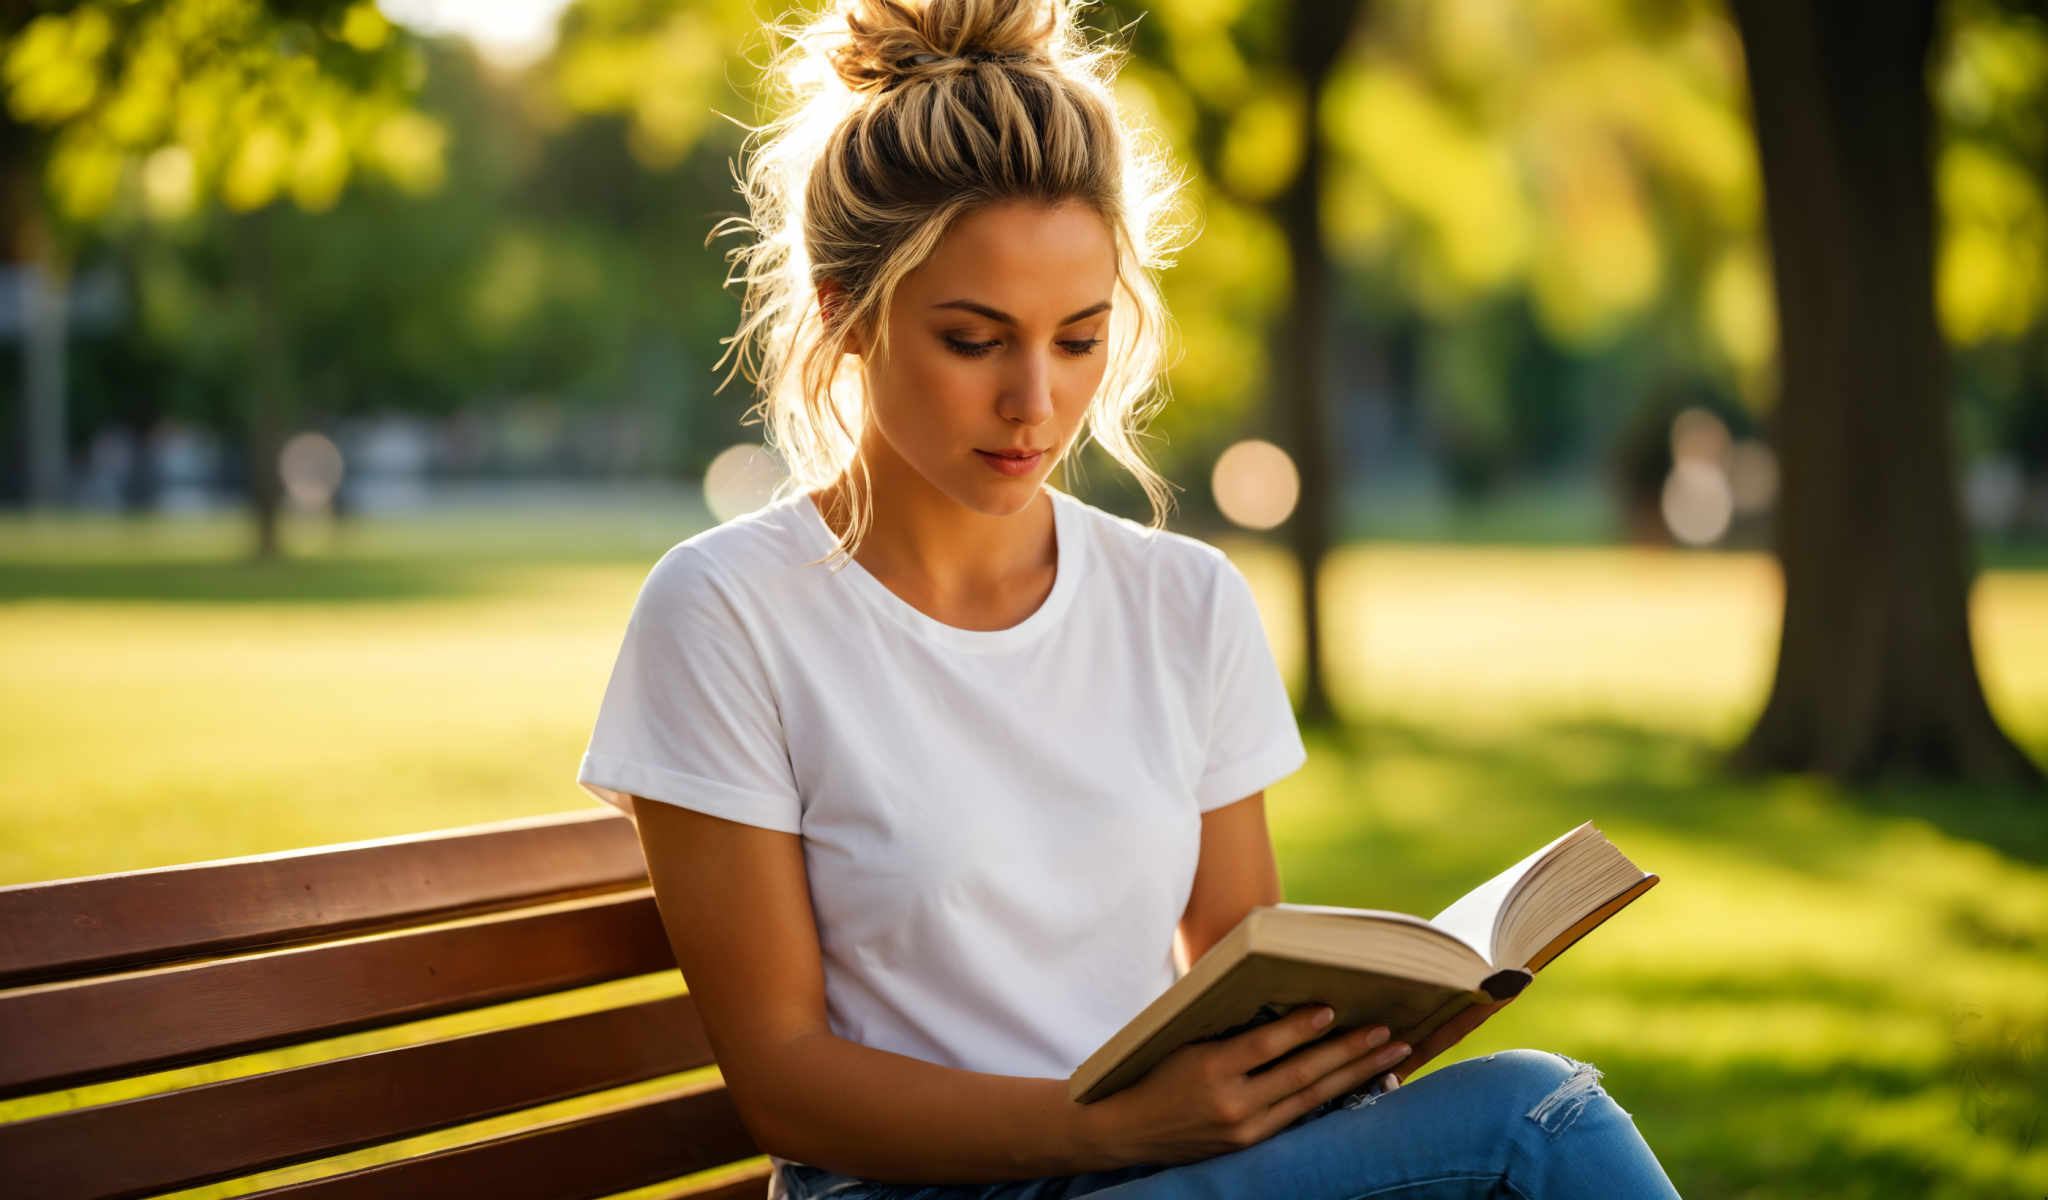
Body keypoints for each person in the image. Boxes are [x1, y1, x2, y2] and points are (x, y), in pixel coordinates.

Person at [576, 0, 1683, 1195]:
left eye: (1077, 338)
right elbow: (785, 1081)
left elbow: (1235, 969)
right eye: (972, 339)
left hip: (1157, 1173)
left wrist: (1337, 1048)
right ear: (845, 312)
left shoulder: (1183, 600)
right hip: (937, 1186)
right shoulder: (728, 613)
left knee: (1538, 1108)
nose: (1034, 404)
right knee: (1535, 1126)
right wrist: (1109, 1132)